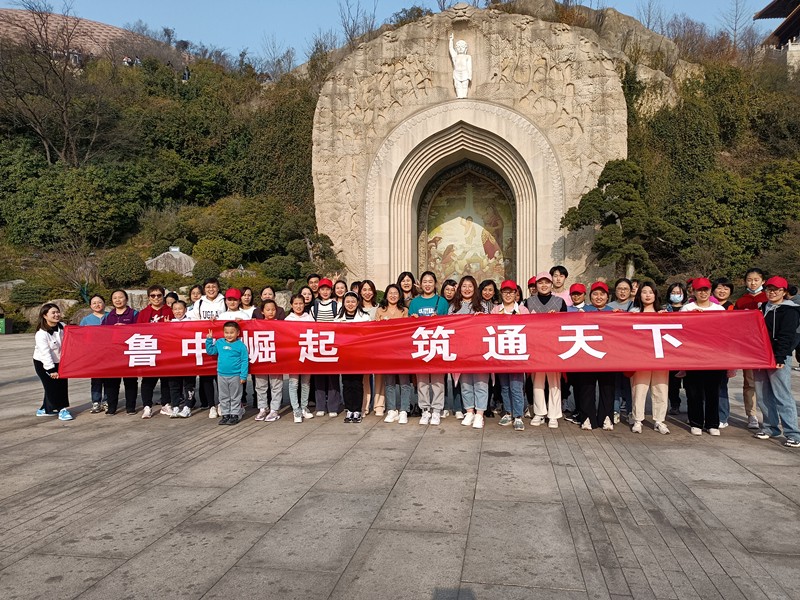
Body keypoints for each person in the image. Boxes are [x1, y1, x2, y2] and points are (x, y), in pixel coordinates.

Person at [753, 276, 800, 448]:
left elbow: (787, 336)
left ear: (784, 291)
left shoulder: (790, 311)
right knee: (763, 394)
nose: (772, 292)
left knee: (782, 394)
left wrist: (780, 357)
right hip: (760, 356)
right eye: (769, 289)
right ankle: (770, 427)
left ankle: (793, 433)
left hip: (778, 356)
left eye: (777, 290)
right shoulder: (762, 307)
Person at [681, 277, 724, 436]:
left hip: (714, 356)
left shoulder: (719, 309)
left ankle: (712, 423)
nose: (703, 293)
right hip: (693, 356)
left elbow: (726, 332)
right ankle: (696, 422)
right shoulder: (687, 308)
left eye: (706, 290)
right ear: (693, 291)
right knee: (694, 391)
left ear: (710, 290)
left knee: (713, 391)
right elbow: (682, 330)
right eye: (699, 290)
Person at [628, 282, 670, 435]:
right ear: (639, 295)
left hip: (660, 357)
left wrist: (665, 318)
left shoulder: (663, 313)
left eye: (651, 292)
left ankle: (659, 420)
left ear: (655, 294)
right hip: (640, 357)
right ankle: (637, 419)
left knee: (661, 388)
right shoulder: (633, 312)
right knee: (639, 389)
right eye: (644, 292)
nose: (647, 295)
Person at [450, 275, 491, 429]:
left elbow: (490, 327)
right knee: (465, 383)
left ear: (475, 289)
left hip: (479, 351)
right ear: (459, 288)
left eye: (470, 286)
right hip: (461, 351)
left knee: (481, 383)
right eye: (464, 286)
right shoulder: (453, 307)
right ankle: (469, 411)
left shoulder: (482, 306)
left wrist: (482, 318)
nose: (467, 289)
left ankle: (480, 414)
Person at [525, 272, 565, 428]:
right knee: (537, 381)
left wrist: (557, 317)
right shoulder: (528, 302)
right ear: (536, 285)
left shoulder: (559, 302)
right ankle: (539, 412)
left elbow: (566, 324)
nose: (543, 285)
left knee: (554, 382)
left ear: (551, 284)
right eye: (540, 283)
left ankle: (553, 415)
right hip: (536, 348)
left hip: (554, 348)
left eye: (547, 282)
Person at [409, 271, 449, 425]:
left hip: (437, 344)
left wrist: (439, 320)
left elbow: (449, 324)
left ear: (435, 284)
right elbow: (408, 326)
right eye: (425, 281)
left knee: (438, 380)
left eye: (430, 281)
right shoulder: (415, 302)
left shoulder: (442, 302)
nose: (427, 284)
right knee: (422, 381)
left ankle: (437, 410)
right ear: (420, 284)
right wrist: (413, 319)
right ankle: (425, 410)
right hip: (421, 345)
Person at [576, 282, 615, 431]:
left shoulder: (613, 312)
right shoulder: (583, 311)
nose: (599, 297)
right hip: (587, 355)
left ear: (607, 296)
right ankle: (587, 418)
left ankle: (606, 417)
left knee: (607, 387)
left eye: (602, 294)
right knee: (587, 387)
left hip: (608, 357)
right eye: (595, 294)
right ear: (590, 296)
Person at [492, 280, 529, 431]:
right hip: (501, 353)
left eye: (511, 292)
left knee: (516, 386)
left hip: (517, 354)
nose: (508, 295)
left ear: (516, 294)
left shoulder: (522, 310)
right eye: (505, 292)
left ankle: (518, 415)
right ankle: (508, 412)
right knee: (505, 386)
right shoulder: (496, 310)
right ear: (501, 293)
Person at [190, 278, 227, 418]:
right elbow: (193, 321)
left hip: (221, 342)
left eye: (214, 286)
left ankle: (222, 403)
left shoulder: (224, 301)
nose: (211, 289)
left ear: (218, 288)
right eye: (208, 287)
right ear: (204, 289)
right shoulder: (199, 303)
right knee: (206, 376)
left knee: (221, 376)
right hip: (204, 341)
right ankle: (211, 405)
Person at [735, 268, 767, 430]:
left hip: (766, 346)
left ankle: (769, 416)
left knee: (768, 383)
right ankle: (752, 414)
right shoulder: (741, 301)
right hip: (748, 346)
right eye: (749, 280)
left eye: (756, 280)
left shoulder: (768, 297)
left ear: (763, 281)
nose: (753, 283)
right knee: (750, 382)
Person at [137, 285, 174, 418]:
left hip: (166, 349)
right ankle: (147, 406)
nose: (156, 298)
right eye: (153, 295)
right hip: (149, 349)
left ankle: (166, 404)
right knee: (148, 380)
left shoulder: (170, 311)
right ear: (149, 297)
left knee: (166, 379)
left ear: (163, 296)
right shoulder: (143, 313)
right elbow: (137, 331)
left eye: (159, 295)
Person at [378, 284, 412, 424]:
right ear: (386, 295)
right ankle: (391, 410)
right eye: (390, 293)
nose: (393, 295)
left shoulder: (404, 310)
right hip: (386, 352)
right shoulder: (380, 310)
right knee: (389, 382)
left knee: (404, 382)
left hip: (402, 351)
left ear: (399, 295)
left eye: (395, 293)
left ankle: (404, 410)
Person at [335, 292, 372, 423]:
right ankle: (349, 409)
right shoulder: (337, 319)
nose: (350, 304)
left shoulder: (365, 317)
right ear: (344, 303)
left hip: (359, 355)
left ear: (357, 303)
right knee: (346, 383)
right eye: (348, 301)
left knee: (357, 383)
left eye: (353, 301)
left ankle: (357, 410)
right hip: (344, 356)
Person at [102, 289, 138, 415]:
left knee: (130, 381)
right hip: (113, 353)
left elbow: (141, 330)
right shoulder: (108, 316)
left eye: (120, 297)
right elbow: (102, 333)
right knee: (111, 382)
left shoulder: (134, 314)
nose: (118, 300)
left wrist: (126, 329)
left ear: (126, 299)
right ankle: (112, 407)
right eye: (115, 298)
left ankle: (131, 407)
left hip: (129, 352)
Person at [33, 303, 72, 420]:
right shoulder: (41, 334)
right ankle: (62, 409)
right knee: (52, 387)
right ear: (45, 316)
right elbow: (45, 353)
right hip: (43, 363)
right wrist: (51, 370)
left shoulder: (63, 326)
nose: (56, 315)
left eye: (58, 312)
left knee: (61, 384)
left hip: (60, 361)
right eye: (53, 313)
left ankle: (45, 409)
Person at [206, 321, 249, 426]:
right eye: (226, 332)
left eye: (232, 332)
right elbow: (211, 351)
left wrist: (243, 376)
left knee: (235, 396)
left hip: (235, 375)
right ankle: (225, 415)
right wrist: (209, 340)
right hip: (221, 375)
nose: (229, 335)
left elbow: (244, 361)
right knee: (223, 396)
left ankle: (235, 414)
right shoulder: (220, 342)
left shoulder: (241, 346)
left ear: (237, 333)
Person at [284, 294, 316, 422]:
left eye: (301, 303)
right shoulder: (288, 319)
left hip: (307, 354)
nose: (298, 306)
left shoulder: (309, 317)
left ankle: (304, 407)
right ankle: (296, 410)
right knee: (293, 383)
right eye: (296, 304)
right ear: (291, 305)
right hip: (293, 356)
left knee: (306, 383)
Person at [312, 278, 340, 417]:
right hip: (318, 345)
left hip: (333, 345)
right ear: (318, 291)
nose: (325, 292)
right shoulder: (314, 307)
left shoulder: (337, 306)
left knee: (333, 377)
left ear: (331, 290)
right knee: (319, 377)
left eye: (327, 289)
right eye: (322, 289)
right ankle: (320, 406)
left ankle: (333, 406)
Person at [254, 300, 284, 423]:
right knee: (260, 385)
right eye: (267, 309)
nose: (271, 312)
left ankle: (274, 409)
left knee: (276, 385)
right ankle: (263, 408)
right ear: (262, 311)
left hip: (275, 358)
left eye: (273, 309)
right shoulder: (256, 324)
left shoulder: (281, 324)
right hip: (261, 357)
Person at [79, 294, 109, 413]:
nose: (97, 305)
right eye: (94, 303)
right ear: (90, 305)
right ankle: (96, 402)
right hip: (94, 354)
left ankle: (107, 401)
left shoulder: (111, 317)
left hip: (109, 353)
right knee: (96, 379)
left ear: (104, 303)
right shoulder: (86, 320)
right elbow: (80, 336)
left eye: (99, 302)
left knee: (109, 379)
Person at [167, 300, 196, 418]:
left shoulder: (191, 322)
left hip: (188, 359)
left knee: (189, 384)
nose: (178, 311)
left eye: (180, 308)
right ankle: (175, 406)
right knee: (174, 384)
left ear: (185, 309)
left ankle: (188, 406)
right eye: (175, 309)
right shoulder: (169, 323)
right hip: (174, 359)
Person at [359, 279, 382, 416]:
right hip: (362, 348)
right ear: (360, 292)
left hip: (377, 347)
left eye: (370, 290)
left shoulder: (379, 308)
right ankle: (365, 405)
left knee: (379, 376)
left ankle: (379, 405)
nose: (367, 293)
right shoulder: (357, 308)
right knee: (364, 378)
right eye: (364, 290)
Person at [440, 279, 462, 419]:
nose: (449, 293)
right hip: (441, 343)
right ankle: (443, 406)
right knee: (441, 378)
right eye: (446, 290)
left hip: (456, 344)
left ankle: (458, 407)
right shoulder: (439, 303)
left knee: (456, 377)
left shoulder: (459, 305)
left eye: (452, 290)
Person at [665, 282, 688, 415]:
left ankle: (692, 406)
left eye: (678, 293)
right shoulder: (663, 309)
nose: (675, 295)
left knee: (689, 382)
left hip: (686, 349)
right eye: (673, 293)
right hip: (670, 349)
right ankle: (675, 404)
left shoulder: (689, 309)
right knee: (672, 381)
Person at [448, 32, 472, 98]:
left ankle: (464, 95)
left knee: (465, 85)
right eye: (458, 47)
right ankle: (459, 95)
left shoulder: (467, 57)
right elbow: (451, 49)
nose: (460, 48)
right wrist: (451, 40)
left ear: (465, 49)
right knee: (457, 85)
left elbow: (469, 67)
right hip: (457, 73)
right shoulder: (455, 56)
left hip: (465, 73)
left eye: (462, 47)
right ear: (456, 49)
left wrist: (470, 75)